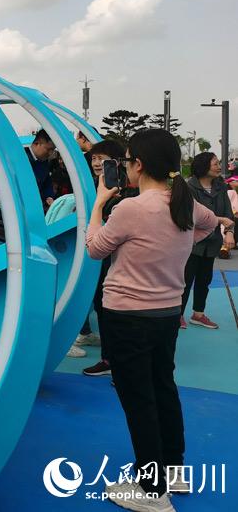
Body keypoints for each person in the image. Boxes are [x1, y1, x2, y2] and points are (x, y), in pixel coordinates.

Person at [86, 128, 229, 505]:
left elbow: (95, 249)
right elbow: (209, 223)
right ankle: (173, 472)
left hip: (127, 316)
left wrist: (98, 204)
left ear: (138, 164)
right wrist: (178, 244)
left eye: (126, 161)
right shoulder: (184, 203)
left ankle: (152, 491)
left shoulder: (130, 209)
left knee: (139, 400)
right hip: (165, 314)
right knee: (163, 389)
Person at [78, 139, 129, 373]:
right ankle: (109, 359)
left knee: (116, 310)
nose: (96, 163)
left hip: (118, 260)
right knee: (101, 304)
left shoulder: (124, 191)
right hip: (99, 257)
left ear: (117, 162)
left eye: (102, 159)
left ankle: (118, 362)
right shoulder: (91, 186)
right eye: (94, 158)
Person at [179, 152, 235, 329]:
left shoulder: (221, 187)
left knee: (205, 280)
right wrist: (220, 220)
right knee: (185, 280)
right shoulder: (189, 188)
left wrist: (230, 232)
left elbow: (228, 214)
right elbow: (191, 216)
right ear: (204, 166)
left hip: (212, 243)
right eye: (215, 164)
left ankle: (198, 314)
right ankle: (177, 314)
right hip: (191, 243)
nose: (219, 167)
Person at [26, 129, 57, 209]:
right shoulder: (21, 157)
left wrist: (49, 196)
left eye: (53, 150)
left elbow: (47, 182)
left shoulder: (44, 162)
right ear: (37, 143)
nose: (50, 153)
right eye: (48, 149)